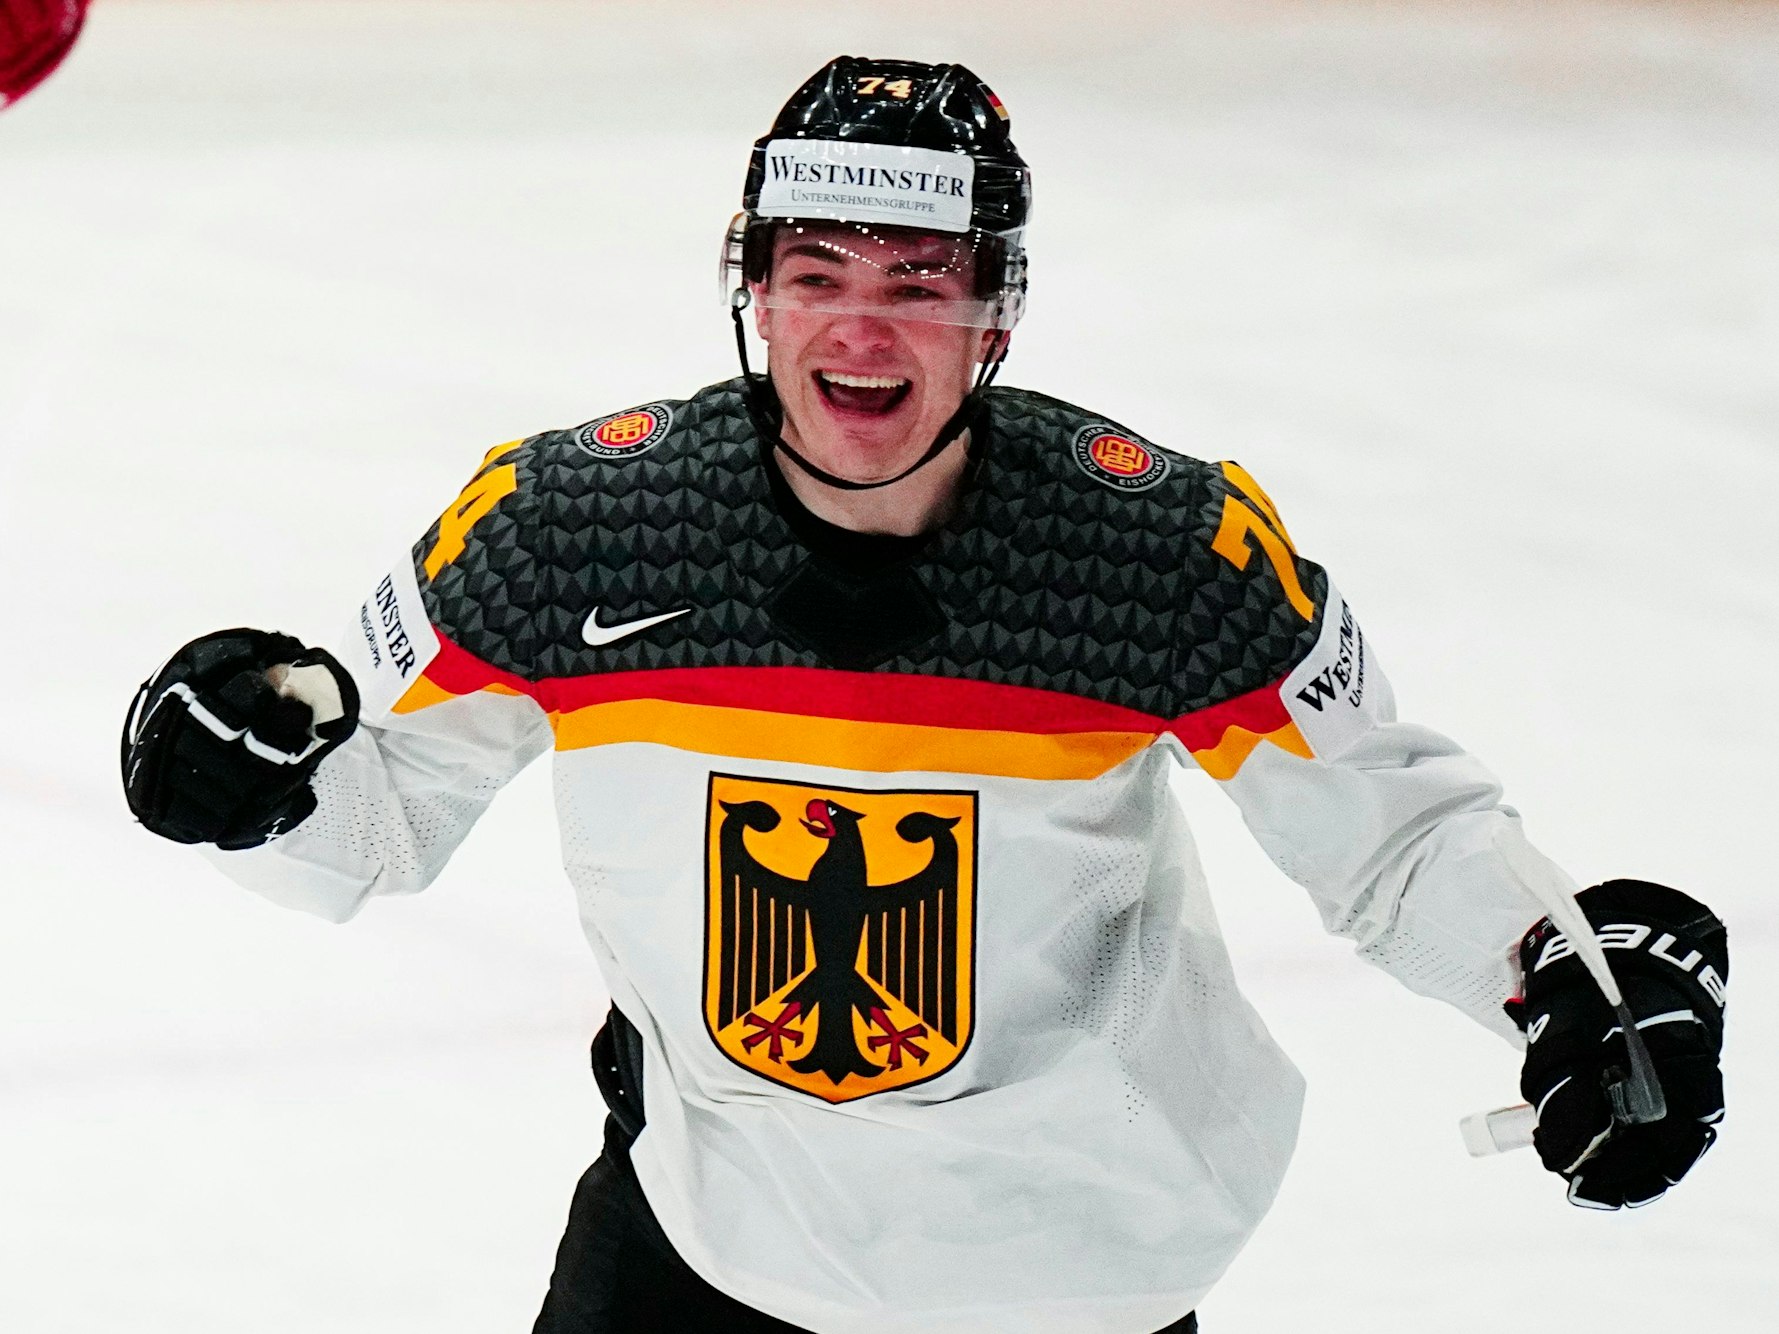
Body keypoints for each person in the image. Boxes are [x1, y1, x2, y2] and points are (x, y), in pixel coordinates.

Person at [120, 56, 1729, 1334]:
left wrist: (1567, 977)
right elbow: (363, 831)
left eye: (920, 276)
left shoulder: (1154, 551)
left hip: (1069, 1273)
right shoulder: (568, 528)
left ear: (1000, 311)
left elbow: (1388, 838)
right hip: (707, 1239)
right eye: (815, 269)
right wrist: (243, 786)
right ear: (752, 291)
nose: (863, 324)